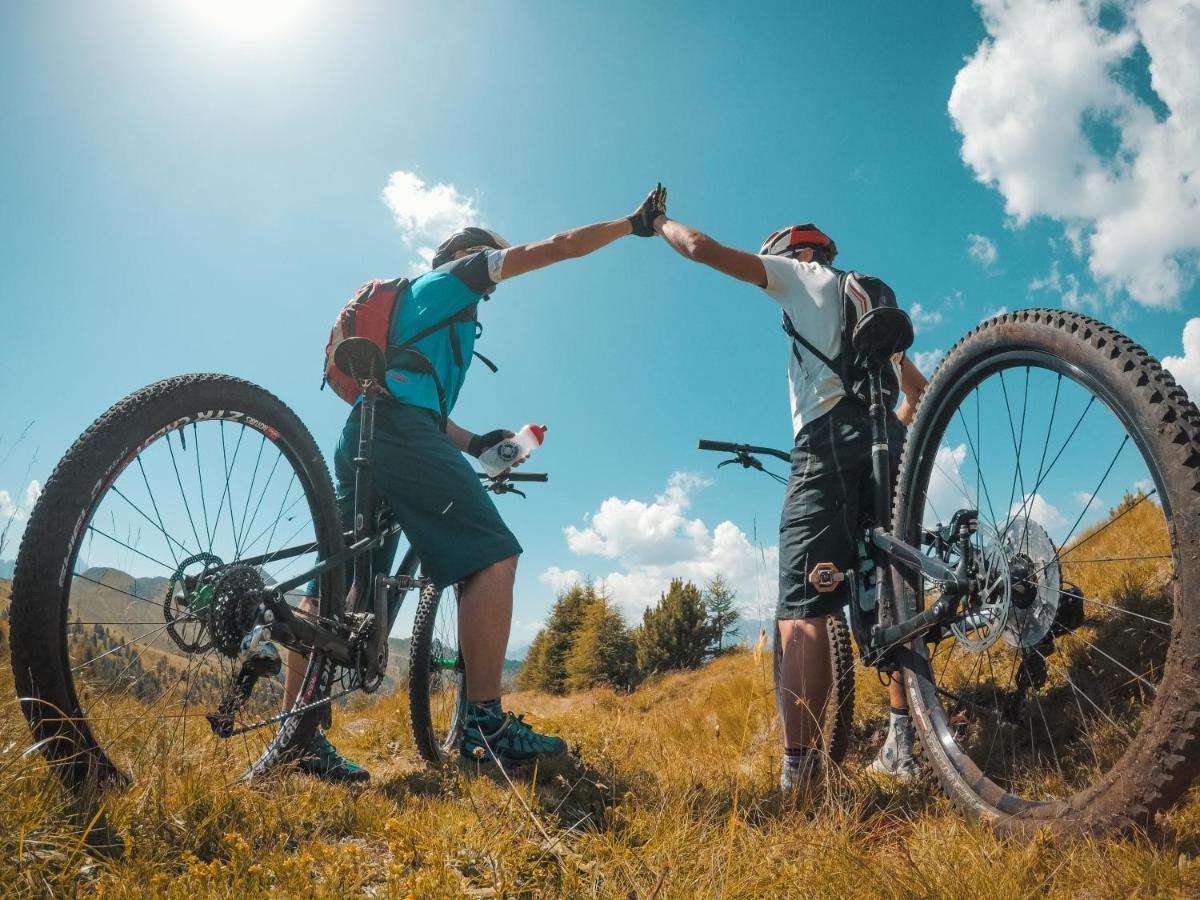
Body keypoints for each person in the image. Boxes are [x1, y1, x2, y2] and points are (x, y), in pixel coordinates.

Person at [284, 186, 668, 782]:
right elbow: (560, 248)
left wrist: (477, 445)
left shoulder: (427, 316)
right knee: (492, 558)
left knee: (338, 594)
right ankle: (484, 728)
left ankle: (295, 739)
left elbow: (421, 402)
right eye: (497, 258)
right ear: (472, 253)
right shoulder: (457, 278)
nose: (500, 274)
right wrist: (628, 224)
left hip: (363, 432)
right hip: (402, 435)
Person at [649, 203, 928, 791]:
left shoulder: (804, 279)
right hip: (890, 443)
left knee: (803, 604)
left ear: (792, 252)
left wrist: (659, 226)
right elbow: (920, 393)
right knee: (895, 588)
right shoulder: (869, 316)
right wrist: (892, 436)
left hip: (825, 441)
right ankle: (904, 739)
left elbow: (702, 248)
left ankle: (800, 776)